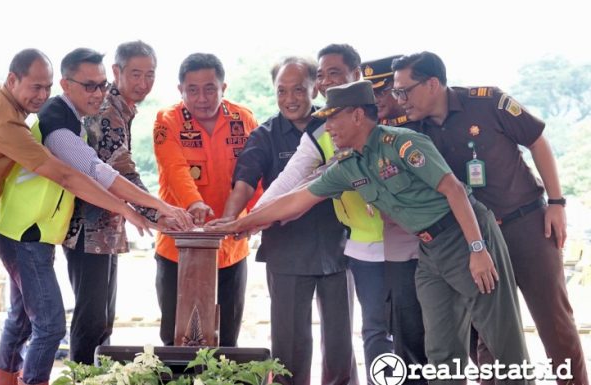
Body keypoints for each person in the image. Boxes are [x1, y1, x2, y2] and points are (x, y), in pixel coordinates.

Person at [208, 80, 533, 385]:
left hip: (466, 236)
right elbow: (295, 201)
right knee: (441, 349)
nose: (328, 128)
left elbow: (455, 191)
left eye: (333, 119)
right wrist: (241, 223)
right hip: (430, 252)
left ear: (357, 115)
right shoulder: (348, 165)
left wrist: (478, 249)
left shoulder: (404, 143)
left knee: (502, 340)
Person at [0, 48, 174, 385]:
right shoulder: (18, 123)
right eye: (35, 87)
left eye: (46, 87)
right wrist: (132, 210)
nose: (41, 95)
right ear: (13, 79)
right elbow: (74, 175)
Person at [0, 48, 191, 385]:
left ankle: (8, 378)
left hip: (33, 231)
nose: (98, 94)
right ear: (66, 85)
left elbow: (88, 178)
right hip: (27, 233)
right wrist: (155, 207)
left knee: (22, 319)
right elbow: (96, 172)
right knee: (52, 324)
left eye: (101, 86)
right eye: (89, 86)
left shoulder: (76, 117)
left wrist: (132, 210)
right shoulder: (59, 124)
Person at [392, 51, 588, 385]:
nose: (400, 100)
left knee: (555, 324)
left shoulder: (488, 102)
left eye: (404, 91)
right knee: (491, 334)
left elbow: (537, 141)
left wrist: (556, 202)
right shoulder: (407, 130)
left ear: (433, 84)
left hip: (526, 226)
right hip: (474, 241)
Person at [209, 57, 358, 385]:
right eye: (281, 91)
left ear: (314, 88)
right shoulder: (265, 135)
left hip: (339, 248)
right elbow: (244, 184)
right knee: (289, 347)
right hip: (287, 252)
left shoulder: (334, 123)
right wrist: (232, 220)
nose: (290, 98)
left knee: (340, 344)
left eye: (298, 90)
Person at [255, 44, 392, 379]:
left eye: (335, 74)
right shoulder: (313, 130)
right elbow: (288, 182)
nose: (326, 83)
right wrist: (250, 219)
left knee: (361, 338)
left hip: (373, 245)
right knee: (298, 346)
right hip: (319, 249)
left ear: (356, 76)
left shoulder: (386, 118)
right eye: (322, 76)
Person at [60, 41, 162, 365]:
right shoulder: (107, 111)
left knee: (103, 318)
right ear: (117, 72)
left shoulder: (122, 109)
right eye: (135, 74)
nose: (143, 83)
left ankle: (96, 376)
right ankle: (82, 376)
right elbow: (120, 169)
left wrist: (152, 211)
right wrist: (159, 211)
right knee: (91, 319)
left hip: (107, 228)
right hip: (88, 229)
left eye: (150, 75)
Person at [152, 53, 257, 347]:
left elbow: (257, 175)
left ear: (224, 87)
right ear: (180, 90)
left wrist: (260, 216)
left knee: (226, 341)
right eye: (193, 90)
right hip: (178, 251)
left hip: (231, 249)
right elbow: (175, 169)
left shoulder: (244, 119)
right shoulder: (167, 120)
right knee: (177, 338)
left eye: (210, 88)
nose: (202, 98)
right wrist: (194, 203)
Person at [360, 56, 428, 379]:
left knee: (457, 340)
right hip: (399, 252)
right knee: (406, 335)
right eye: (370, 93)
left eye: (384, 90)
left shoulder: (426, 127)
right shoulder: (374, 137)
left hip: (442, 249)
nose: (378, 100)